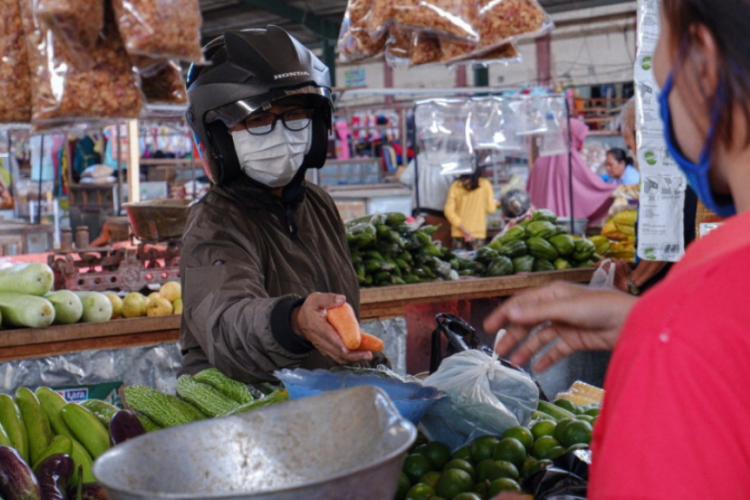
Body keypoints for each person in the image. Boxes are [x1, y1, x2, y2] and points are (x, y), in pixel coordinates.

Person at [485, 0, 750, 496]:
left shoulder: (687, 326)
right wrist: (647, 321)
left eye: (655, 58)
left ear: (702, 63)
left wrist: (671, 333)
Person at [178, 26, 382, 383]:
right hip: (249, 415)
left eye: (294, 116)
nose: (281, 133)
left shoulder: (316, 203)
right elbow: (227, 322)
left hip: (319, 407)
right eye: (257, 120)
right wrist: (293, 321)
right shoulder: (215, 222)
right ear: (220, 139)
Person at [526, 118, 616, 225]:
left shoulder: (540, 160)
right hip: (564, 228)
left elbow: (529, 192)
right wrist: (613, 190)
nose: (581, 144)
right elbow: (590, 187)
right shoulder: (569, 158)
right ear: (572, 137)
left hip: (538, 228)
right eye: (580, 139)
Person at [396, 152, 454, 248]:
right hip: (440, 213)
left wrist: (416, 186)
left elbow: (404, 178)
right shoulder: (452, 159)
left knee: (421, 249)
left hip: (419, 211)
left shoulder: (421, 157)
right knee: (440, 251)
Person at [443, 168, 496, 250]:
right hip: (477, 234)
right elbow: (491, 209)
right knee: (477, 262)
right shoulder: (485, 184)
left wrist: (463, 230)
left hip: (458, 233)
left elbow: (448, 211)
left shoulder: (456, 185)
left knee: (458, 261)